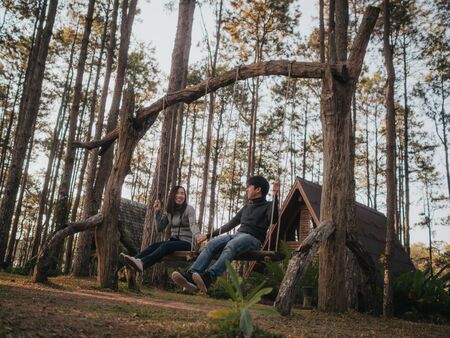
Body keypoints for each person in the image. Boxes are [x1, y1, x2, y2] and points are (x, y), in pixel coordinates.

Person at [171, 175, 279, 292]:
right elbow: (229, 225)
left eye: (249, 187)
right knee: (211, 244)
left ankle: (209, 277)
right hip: (237, 235)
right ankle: (191, 275)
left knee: (232, 245)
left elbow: (274, 219)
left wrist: (275, 196)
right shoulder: (246, 207)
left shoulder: (268, 206)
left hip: (253, 239)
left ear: (258, 189)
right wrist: (207, 236)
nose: (247, 189)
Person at [121, 185, 201, 273]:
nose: (180, 196)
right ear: (173, 195)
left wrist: (198, 236)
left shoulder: (189, 209)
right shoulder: (169, 211)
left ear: (185, 196)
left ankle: (142, 263)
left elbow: (193, 224)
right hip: (174, 241)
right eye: (177, 193)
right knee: (154, 246)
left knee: (166, 246)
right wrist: (157, 212)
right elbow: (159, 227)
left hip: (187, 243)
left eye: (182, 193)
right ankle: (133, 260)